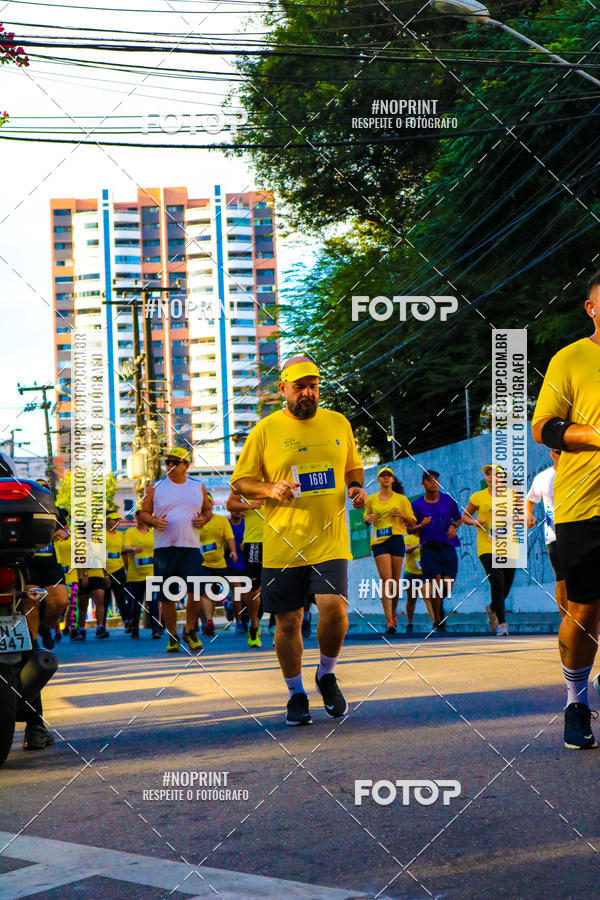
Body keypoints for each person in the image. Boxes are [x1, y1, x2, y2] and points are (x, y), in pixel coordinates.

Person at [231, 355, 367, 726]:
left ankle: (326, 673)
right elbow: (240, 481)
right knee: (288, 622)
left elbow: (352, 465)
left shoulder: (338, 422)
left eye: (314, 386)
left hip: (330, 538)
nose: (308, 393)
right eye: (300, 387)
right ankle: (295, 693)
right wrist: (271, 488)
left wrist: (355, 486)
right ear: (283, 390)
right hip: (282, 543)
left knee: (334, 608)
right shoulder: (265, 430)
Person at [532, 271, 600, 749]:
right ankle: (576, 700)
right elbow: (544, 426)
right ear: (591, 308)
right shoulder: (571, 357)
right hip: (584, 506)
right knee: (584, 609)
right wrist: (593, 437)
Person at [140, 447, 211, 653]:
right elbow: (144, 513)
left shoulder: (198, 487)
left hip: (190, 546)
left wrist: (203, 519)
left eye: (175, 462)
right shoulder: (156, 486)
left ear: (186, 465)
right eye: (167, 462)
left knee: (196, 591)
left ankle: (190, 629)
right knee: (166, 596)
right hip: (164, 548)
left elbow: (207, 510)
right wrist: (154, 521)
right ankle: (172, 636)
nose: (170, 466)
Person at [462, 464, 518, 637]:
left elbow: (522, 514)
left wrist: (516, 517)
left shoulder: (512, 495)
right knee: (498, 583)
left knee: (506, 586)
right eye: (488, 475)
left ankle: (492, 608)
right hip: (486, 546)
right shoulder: (477, 497)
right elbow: (464, 516)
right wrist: (473, 522)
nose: (491, 478)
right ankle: (502, 624)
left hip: (508, 545)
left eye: (495, 475)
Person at [364, 466, 416, 635]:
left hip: (396, 540)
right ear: (378, 480)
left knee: (395, 581)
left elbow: (413, 523)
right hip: (379, 542)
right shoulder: (372, 500)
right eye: (382, 476)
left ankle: (393, 613)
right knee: (386, 580)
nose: (386, 478)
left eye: (389, 476)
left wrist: (403, 516)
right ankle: (389, 620)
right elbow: (366, 518)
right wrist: (368, 519)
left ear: (393, 480)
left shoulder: (401, 500)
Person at [409, 471, 461, 632]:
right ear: (422, 484)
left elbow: (458, 518)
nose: (433, 483)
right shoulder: (416, 505)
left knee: (447, 586)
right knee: (436, 584)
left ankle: (438, 606)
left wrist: (453, 526)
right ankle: (438, 620)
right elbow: (410, 529)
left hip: (448, 546)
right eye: (429, 480)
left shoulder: (448, 500)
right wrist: (421, 525)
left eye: (436, 480)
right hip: (429, 548)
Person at [527, 450, 566, 618]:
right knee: (562, 580)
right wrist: (529, 514)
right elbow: (530, 499)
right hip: (554, 535)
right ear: (552, 455)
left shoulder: (579, 474)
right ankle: (567, 620)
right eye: (560, 453)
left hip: (580, 532)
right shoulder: (543, 478)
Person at [226, 490, 264, 648]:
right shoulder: (247, 481)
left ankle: (280, 627)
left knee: (280, 585)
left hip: (279, 539)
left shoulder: (281, 475)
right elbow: (230, 504)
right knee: (252, 590)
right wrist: (249, 505)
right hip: (254, 541)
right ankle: (254, 625)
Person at [198, 494, 237, 636]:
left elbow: (230, 537)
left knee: (213, 594)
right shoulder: (196, 521)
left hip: (220, 564)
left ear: (211, 504)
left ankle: (209, 620)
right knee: (205, 592)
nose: (205, 505)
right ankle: (208, 621)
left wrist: (233, 551)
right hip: (202, 563)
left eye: (207, 502)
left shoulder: (221, 520)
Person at [123, 508, 159, 639]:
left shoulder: (153, 533)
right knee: (136, 602)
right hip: (135, 574)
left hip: (151, 573)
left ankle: (155, 629)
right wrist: (133, 549)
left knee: (153, 602)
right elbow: (124, 547)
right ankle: (135, 628)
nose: (138, 520)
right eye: (137, 518)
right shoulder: (130, 532)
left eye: (141, 517)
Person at [105, 508, 130, 630]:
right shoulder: (101, 535)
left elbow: (124, 553)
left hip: (119, 568)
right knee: (104, 599)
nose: (117, 522)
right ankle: (102, 625)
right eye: (114, 520)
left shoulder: (121, 535)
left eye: (118, 520)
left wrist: (127, 569)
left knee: (121, 597)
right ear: (108, 520)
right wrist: (105, 574)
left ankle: (127, 621)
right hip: (105, 570)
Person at [403, 532, 422, 634]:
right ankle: (409, 623)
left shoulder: (426, 537)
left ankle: (435, 623)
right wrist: (416, 546)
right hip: (410, 573)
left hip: (424, 573)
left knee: (428, 597)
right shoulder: (408, 538)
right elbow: (406, 549)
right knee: (411, 600)